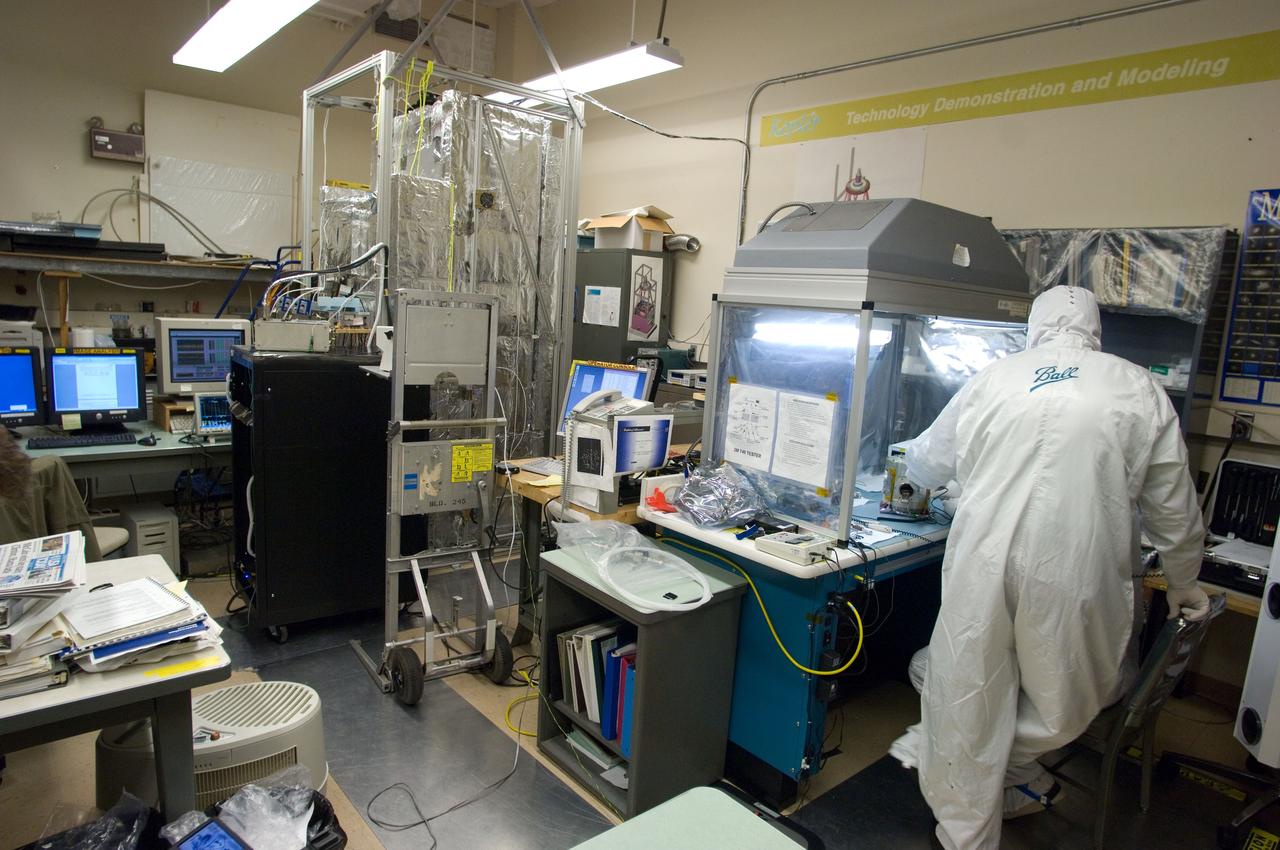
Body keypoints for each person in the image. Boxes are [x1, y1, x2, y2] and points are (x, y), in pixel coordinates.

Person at [890, 285, 1210, 850]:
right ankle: (993, 773)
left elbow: (925, 462)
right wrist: (1184, 580)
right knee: (1069, 698)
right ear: (1095, 330)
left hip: (982, 564)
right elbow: (1173, 507)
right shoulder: (1136, 386)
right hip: (1076, 569)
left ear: (1033, 327)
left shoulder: (994, 378)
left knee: (967, 687)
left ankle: (968, 814)